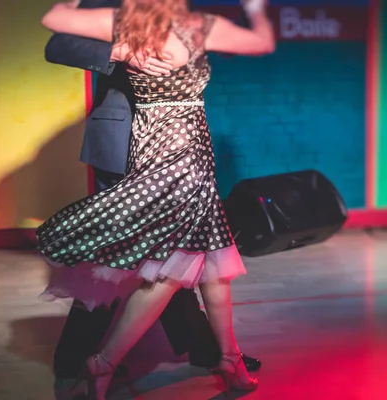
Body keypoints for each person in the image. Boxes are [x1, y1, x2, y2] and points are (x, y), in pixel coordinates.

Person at [38, 0, 274, 398]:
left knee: (192, 255)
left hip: (182, 151)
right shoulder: (124, 15)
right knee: (125, 258)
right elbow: (56, 44)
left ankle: (220, 354)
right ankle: (80, 359)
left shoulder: (189, 23)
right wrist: (118, 51)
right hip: (132, 146)